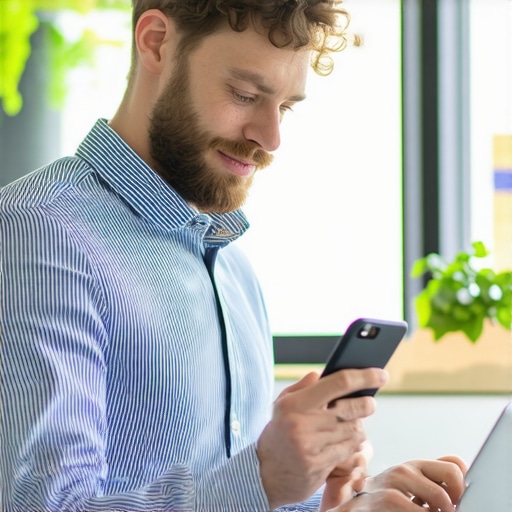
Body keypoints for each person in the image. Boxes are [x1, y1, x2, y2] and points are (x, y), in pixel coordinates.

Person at [0, 1, 466, 511]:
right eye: (245, 94)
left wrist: (340, 503)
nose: (270, 138)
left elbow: (230, 496)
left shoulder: (232, 269)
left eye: (285, 107)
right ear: (156, 41)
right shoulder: (37, 231)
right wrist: (263, 477)